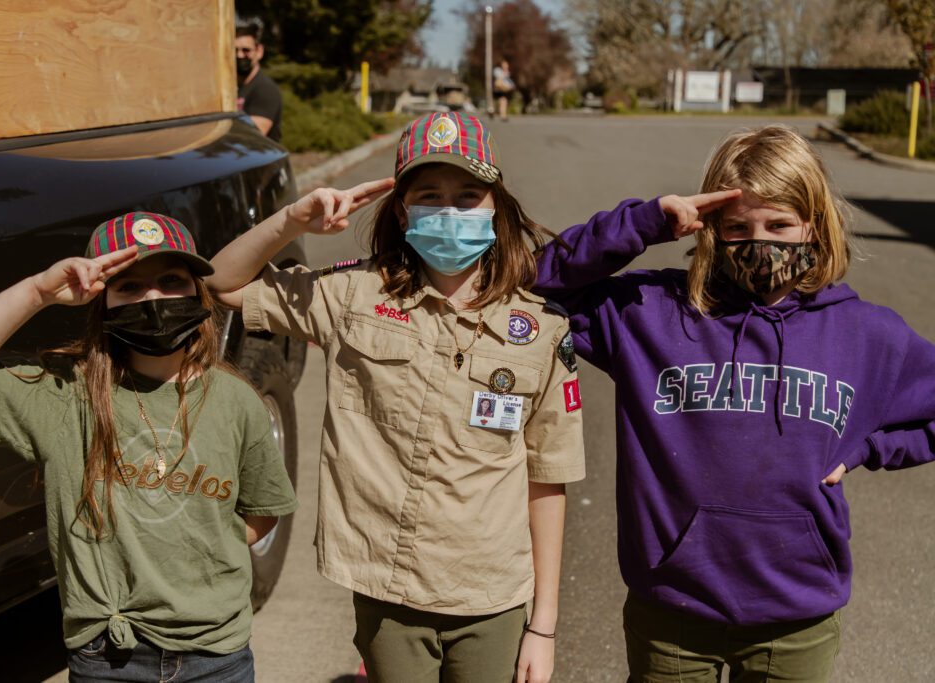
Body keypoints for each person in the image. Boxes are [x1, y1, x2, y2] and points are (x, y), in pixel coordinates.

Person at [531, 125, 935, 681]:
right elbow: (533, 281)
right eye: (738, 227)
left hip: (796, 619)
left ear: (813, 224)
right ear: (712, 231)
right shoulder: (648, 313)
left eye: (779, 224)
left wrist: (872, 444)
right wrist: (643, 223)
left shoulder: (867, 335)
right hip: (671, 611)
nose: (759, 242)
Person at [207, 112, 586, 683]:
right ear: (403, 209)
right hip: (387, 587)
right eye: (430, 195)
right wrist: (291, 220)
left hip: (491, 596)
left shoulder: (540, 331)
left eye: (468, 194)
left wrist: (545, 625)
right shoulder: (353, 295)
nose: (451, 210)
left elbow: (547, 478)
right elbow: (222, 283)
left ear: (496, 207)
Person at [0, 212, 298, 682]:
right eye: (129, 286)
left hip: (216, 655)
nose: (153, 299)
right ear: (103, 302)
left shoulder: (237, 401)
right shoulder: (64, 395)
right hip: (109, 659)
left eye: (171, 281)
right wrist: (36, 292)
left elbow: (263, 510)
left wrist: (199, 552)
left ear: (197, 292)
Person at [235, 19, 282, 142]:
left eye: (246, 50)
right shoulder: (232, 88)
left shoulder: (265, 89)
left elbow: (253, 136)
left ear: (259, 51)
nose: (239, 55)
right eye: (234, 50)